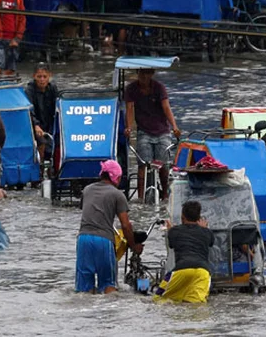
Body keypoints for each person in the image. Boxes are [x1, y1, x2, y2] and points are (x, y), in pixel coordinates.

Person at [75, 160, 141, 294]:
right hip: (104, 241)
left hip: (83, 239)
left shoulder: (87, 190)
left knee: (84, 289)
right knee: (108, 286)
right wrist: (133, 245)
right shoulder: (117, 194)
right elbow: (126, 225)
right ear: (115, 177)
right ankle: (109, 313)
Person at [124, 68, 181, 201]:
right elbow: (130, 109)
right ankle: (140, 197)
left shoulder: (159, 88)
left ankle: (165, 195)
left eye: (147, 73)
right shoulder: (131, 89)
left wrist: (174, 126)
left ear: (151, 74)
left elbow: (166, 107)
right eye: (141, 73)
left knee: (164, 165)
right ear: (138, 73)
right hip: (144, 131)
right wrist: (129, 127)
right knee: (143, 164)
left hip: (162, 131)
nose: (143, 76)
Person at [153, 200, 214, 303]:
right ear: (199, 218)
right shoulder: (206, 232)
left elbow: (171, 245)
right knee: (196, 306)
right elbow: (211, 242)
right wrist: (204, 229)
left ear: (182, 217)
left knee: (158, 299)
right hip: (203, 272)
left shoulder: (174, 231)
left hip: (182, 270)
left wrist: (170, 231)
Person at [25, 63, 59, 164]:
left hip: (50, 123)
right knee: (41, 141)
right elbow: (29, 110)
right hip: (35, 124)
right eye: (39, 77)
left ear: (49, 76)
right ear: (34, 76)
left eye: (45, 76)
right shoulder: (29, 90)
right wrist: (35, 125)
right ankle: (41, 166)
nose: (42, 79)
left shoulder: (53, 88)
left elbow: (58, 107)